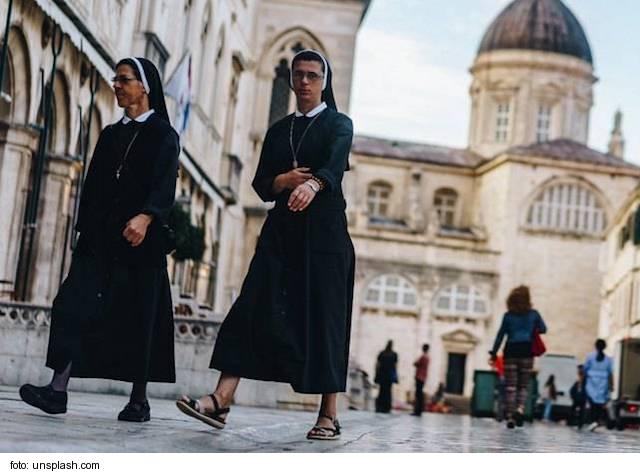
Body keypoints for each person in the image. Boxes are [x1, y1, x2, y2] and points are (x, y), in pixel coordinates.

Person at [175, 49, 355, 441]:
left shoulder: (339, 124)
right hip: (281, 234)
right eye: (298, 74)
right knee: (251, 306)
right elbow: (260, 184)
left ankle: (328, 414)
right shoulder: (279, 131)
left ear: (324, 82)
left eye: (312, 75)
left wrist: (313, 184)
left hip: (324, 238)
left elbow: (334, 165)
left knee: (325, 319)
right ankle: (221, 399)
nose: (304, 82)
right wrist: (283, 181)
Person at [19, 57, 180, 422]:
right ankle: (57, 390)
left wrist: (146, 216)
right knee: (71, 306)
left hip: (140, 244)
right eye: (115, 79)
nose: (116, 85)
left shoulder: (164, 135)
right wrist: (85, 233)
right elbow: (92, 187)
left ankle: (138, 400)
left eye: (124, 79)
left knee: (138, 318)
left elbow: (165, 184)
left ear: (144, 87)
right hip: (100, 242)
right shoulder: (109, 134)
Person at [489, 285, 547, 429]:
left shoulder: (508, 316)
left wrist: (494, 353)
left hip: (511, 351)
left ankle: (510, 416)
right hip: (527, 351)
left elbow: (500, 336)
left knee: (510, 387)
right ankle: (519, 409)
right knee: (523, 385)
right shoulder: (534, 314)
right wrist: (532, 327)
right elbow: (543, 329)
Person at [584, 339, 614, 432]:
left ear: (595, 346)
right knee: (599, 405)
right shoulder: (608, 360)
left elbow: (585, 370)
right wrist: (611, 386)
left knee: (592, 404)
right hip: (602, 385)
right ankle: (595, 421)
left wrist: (583, 383)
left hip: (591, 384)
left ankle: (593, 421)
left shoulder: (590, 357)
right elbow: (610, 374)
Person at [375, 340, 398, 413]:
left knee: (382, 391)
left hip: (382, 375)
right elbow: (395, 366)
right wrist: (395, 376)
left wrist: (376, 374)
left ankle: (380, 406)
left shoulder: (382, 353)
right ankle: (387, 407)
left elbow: (378, 364)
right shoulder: (394, 354)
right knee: (388, 391)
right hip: (389, 376)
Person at [411, 344, 430, 416]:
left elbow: (416, 364)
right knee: (420, 394)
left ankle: (417, 410)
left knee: (418, 394)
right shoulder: (427, 357)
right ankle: (419, 410)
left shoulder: (423, 357)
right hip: (423, 377)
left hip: (419, 376)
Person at [569, 364, 587, 429]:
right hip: (577, 397)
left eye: (580, 369)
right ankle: (572, 422)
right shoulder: (578, 377)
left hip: (582, 397)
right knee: (573, 410)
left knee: (581, 412)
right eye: (578, 369)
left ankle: (580, 424)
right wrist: (572, 395)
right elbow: (573, 388)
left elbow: (585, 388)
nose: (578, 370)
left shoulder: (585, 378)